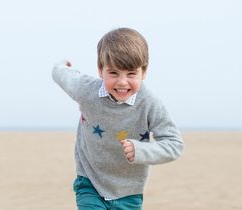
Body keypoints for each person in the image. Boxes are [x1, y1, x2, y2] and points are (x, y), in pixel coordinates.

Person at [52, 27, 184, 210]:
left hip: (130, 190)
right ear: (100, 69)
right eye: (113, 73)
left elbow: (174, 145)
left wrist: (141, 151)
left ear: (143, 72)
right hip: (90, 181)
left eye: (131, 74)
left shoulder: (149, 104)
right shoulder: (85, 90)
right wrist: (61, 65)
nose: (122, 82)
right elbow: (62, 75)